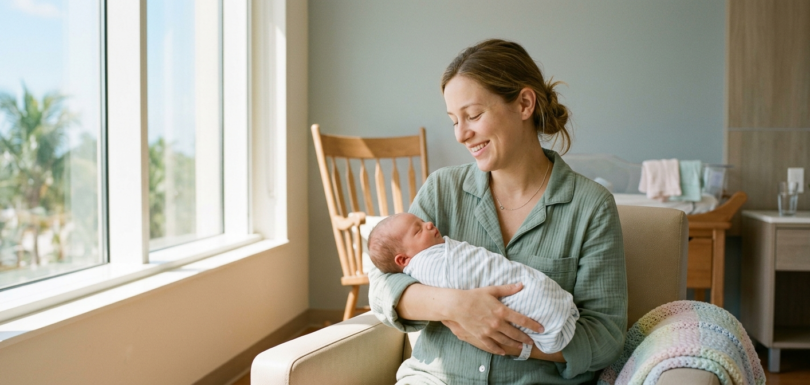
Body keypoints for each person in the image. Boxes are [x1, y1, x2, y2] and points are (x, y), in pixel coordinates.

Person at [368, 38, 628, 384]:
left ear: (524, 103)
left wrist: (512, 340)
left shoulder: (590, 206)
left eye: (473, 115)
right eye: (453, 121)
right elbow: (383, 284)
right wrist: (456, 307)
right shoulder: (442, 189)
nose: (461, 134)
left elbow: (605, 336)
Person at [367, 212, 580, 356]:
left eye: (423, 222)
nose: (429, 224)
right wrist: (453, 304)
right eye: (418, 230)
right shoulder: (427, 264)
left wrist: (518, 349)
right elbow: (380, 287)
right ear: (403, 260)